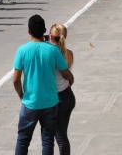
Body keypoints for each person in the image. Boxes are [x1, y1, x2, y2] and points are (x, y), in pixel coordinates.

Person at [13, 15, 74, 155]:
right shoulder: (52, 50)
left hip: (30, 103)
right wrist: (70, 79)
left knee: (23, 139)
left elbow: (16, 79)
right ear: (44, 31)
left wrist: (22, 96)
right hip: (50, 103)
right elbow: (66, 73)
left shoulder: (22, 50)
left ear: (29, 31)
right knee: (47, 140)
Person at [48, 24, 75, 155]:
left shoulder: (49, 54)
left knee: (58, 137)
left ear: (51, 36)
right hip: (68, 96)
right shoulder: (69, 53)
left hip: (56, 98)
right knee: (62, 135)